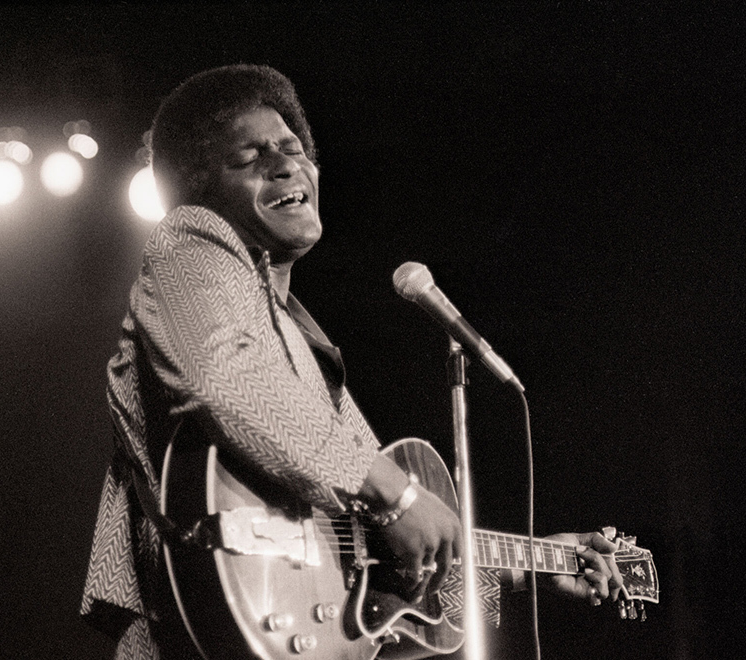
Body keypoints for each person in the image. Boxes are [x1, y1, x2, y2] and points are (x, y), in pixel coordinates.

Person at [81, 64, 622, 660]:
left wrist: (533, 566)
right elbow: (221, 378)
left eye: (292, 148)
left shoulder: (299, 352)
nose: (285, 164)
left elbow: (372, 569)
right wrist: (399, 495)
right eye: (250, 157)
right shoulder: (190, 239)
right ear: (200, 189)